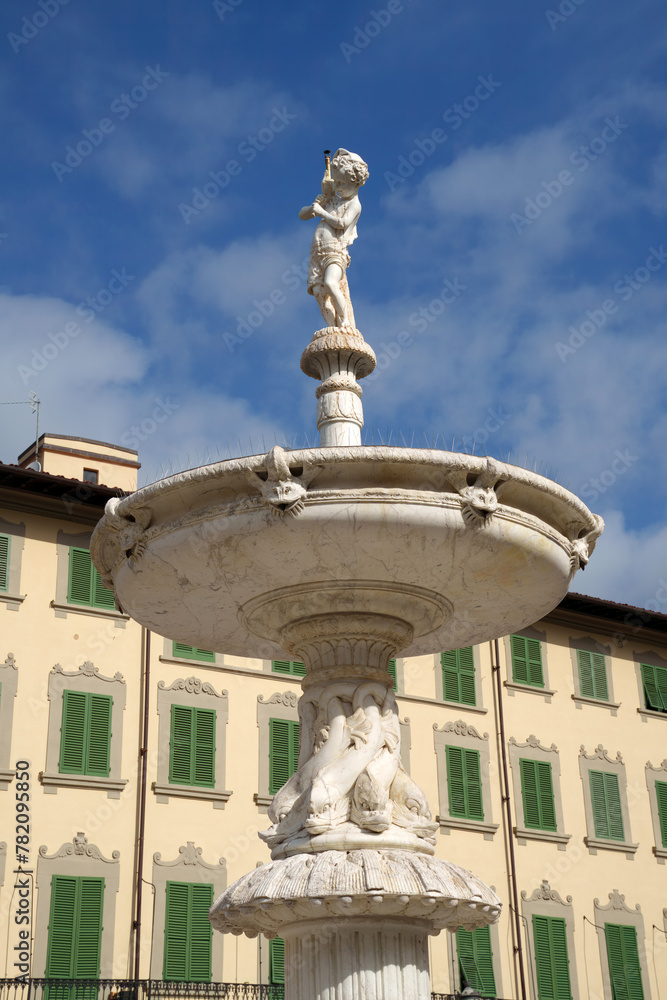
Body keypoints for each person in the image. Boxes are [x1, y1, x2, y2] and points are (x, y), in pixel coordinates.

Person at [299, 148, 369, 328]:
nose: (337, 187)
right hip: (317, 252)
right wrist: (316, 205)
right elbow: (303, 215)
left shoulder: (354, 204)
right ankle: (332, 326)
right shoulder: (331, 199)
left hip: (335, 251)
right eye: (335, 182)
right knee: (319, 292)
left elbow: (342, 223)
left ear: (355, 183)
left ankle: (345, 320)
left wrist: (321, 211)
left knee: (330, 284)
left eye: (341, 183)